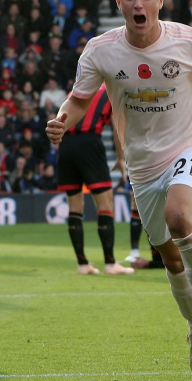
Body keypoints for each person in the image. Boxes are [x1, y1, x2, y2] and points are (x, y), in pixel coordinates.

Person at [46, 0, 192, 379]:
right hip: (142, 165)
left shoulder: (188, 39)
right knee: (170, 259)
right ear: (119, 2)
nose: (139, 2)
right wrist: (63, 118)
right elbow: (79, 100)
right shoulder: (101, 49)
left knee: (179, 215)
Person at [57, 84, 133, 276]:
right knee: (105, 204)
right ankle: (110, 263)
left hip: (66, 144)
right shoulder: (111, 90)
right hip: (90, 143)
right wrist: (121, 157)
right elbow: (117, 126)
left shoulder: (75, 89)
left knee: (75, 207)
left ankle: (82, 264)